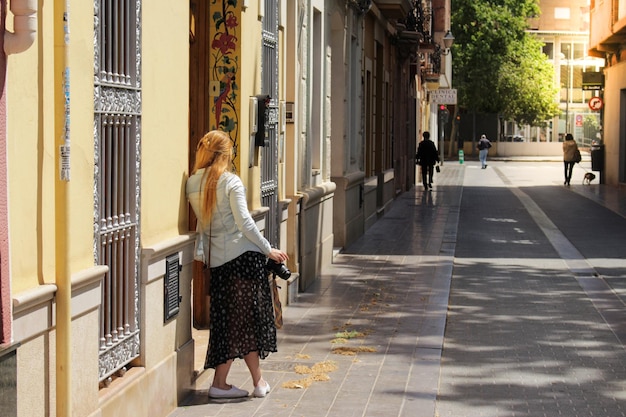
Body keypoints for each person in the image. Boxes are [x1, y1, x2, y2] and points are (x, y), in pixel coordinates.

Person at [186, 130, 288, 399]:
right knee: (240, 322)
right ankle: (219, 383)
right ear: (226, 154)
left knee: (239, 321)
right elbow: (245, 223)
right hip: (243, 261)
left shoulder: (193, 182)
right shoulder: (231, 182)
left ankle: (258, 381)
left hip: (218, 263)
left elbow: (203, 222)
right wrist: (269, 250)